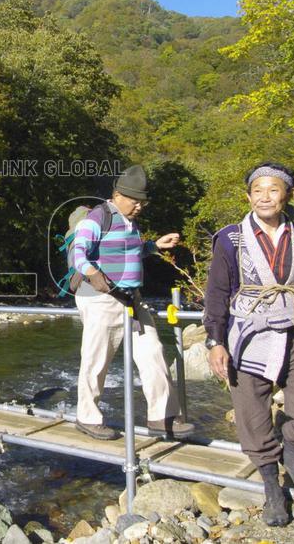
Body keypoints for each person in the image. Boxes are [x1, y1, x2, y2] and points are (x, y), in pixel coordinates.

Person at [203, 162, 294, 527]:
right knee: (252, 417)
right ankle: (272, 487)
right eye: (257, 191)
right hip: (248, 335)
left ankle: (293, 452)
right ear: (248, 197)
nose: (264, 197)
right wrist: (215, 341)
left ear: (288, 195)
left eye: (273, 190)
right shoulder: (230, 238)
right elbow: (217, 293)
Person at [71, 166, 195, 441]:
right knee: (96, 360)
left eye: (143, 202)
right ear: (117, 195)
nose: (139, 207)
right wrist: (94, 274)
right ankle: (87, 417)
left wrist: (155, 246)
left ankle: (162, 417)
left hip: (132, 299)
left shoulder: (130, 222)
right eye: (134, 201)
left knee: (153, 352)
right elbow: (78, 254)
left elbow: (130, 250)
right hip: (101, 299)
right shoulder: (97, 217)